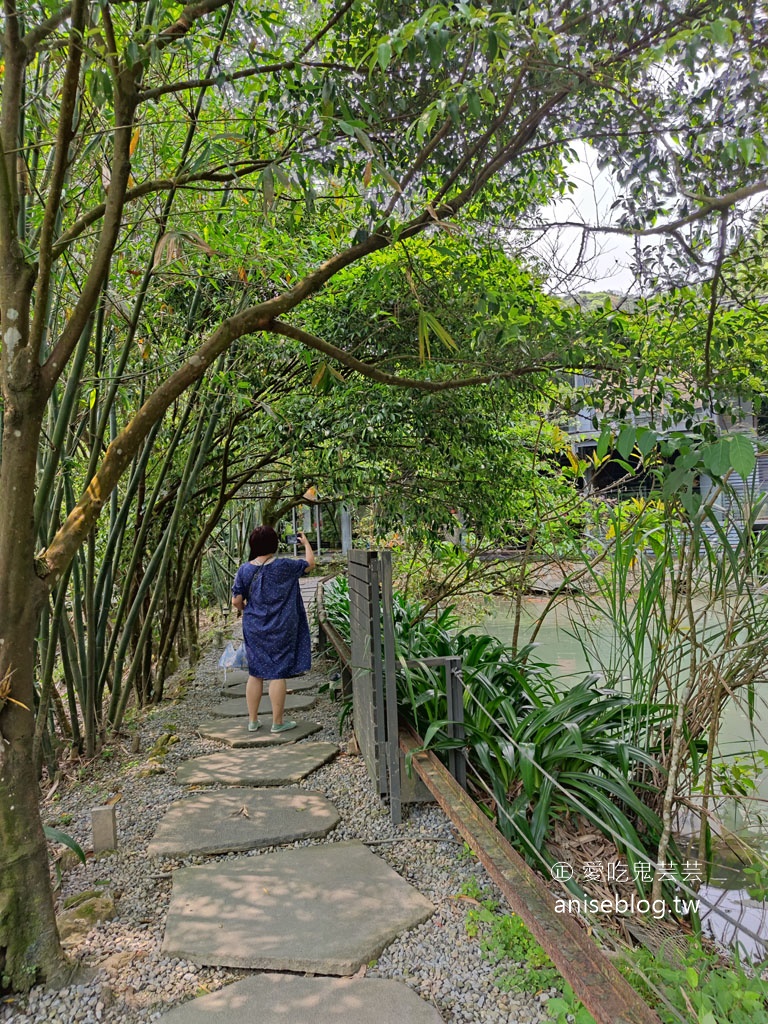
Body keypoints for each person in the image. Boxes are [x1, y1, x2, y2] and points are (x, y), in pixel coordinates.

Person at [231, 525, 315, 733]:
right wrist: (305, 544)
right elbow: (310, 565)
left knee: (255, 672)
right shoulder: (284, 566)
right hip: (282, 624)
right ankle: (277, 722)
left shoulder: (245, 569)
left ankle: (252, 721)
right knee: (278, 672)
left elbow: (236, 601)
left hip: (254, 625)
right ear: (275, 544)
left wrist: (245, 609)